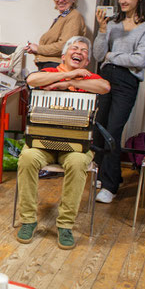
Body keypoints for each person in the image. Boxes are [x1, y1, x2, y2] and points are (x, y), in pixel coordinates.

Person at [16, 36, 110, 250]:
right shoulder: (49, 73)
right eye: (75, 48)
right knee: (28, 158)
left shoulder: (90, 77)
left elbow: (104, 87)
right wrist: (67, 74)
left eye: (84, 51)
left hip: (76, 147)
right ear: (63, 55)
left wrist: (68, 83)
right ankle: (28, 220)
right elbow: (31, 80)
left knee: (78, 163)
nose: (79, 52)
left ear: (86, 61)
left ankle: (65, 225)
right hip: (42, 144)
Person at [91, 0, 145, 203]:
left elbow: (140, 59)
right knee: (99, 127)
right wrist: (101, 30)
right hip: (106, 77)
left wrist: (112, 56)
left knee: (114, 130)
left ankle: (109, 186)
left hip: (127, 81)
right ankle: (108, 174)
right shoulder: (114, 24)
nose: (122, 1)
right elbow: (98, 55)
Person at [26, 0, 88, 70]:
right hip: (51, 65)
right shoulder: (63, 17)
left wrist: (38, 49)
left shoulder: (74, 17)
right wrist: (35, 49)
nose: (60, 0)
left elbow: (64, 46)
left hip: (57, 66)